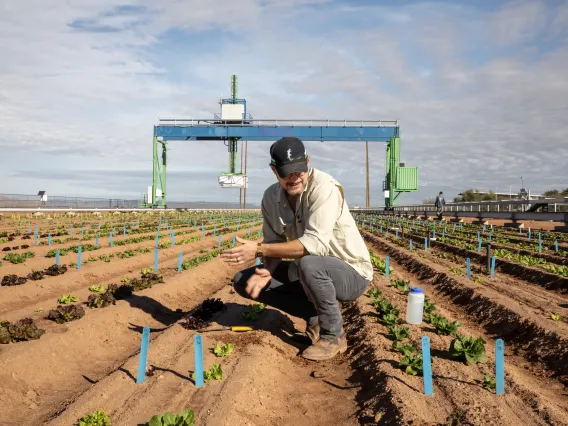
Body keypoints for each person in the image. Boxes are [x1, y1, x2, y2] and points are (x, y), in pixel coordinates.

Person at [220, 136, 373, 361]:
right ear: (274, 170)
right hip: (308, 271)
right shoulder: (271, 197)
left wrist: (260, 250)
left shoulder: (324, 188)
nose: (294, 178)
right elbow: (273, 242)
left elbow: (314, 245)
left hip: (351, 273)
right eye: (286, 173)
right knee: (243, 280)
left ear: (307, 162)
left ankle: (333, 336)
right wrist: (267, 271)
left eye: (298, 171)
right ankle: (314, 316)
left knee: (311, 263)